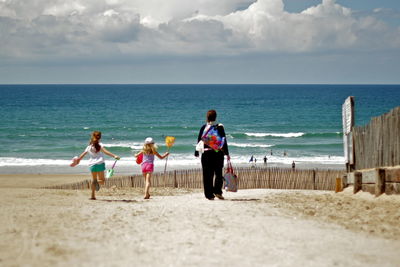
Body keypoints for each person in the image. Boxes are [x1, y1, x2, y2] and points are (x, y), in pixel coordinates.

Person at [74, 131, 120, 200]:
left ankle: (92, 196)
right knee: (102, 181)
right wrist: (114, 156)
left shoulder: (89, 147)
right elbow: (106, 152)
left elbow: (82, 155)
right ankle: (96, 183)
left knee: (94, 180)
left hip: (92, 165)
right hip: (100, 164)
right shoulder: (100, 145)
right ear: (100, 137)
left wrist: (78, 160)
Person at [195, 110, 230, 200]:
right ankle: (217, 191)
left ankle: (209, 195)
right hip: (217, 153)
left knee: (207, 175)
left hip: (206, 154)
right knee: (218, 173)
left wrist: (196, 152)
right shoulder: (219, 127)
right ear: (215, 117)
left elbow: (199, 140)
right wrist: (227, 153)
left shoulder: (203, 128)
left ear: (207, 117)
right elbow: (223, 141)